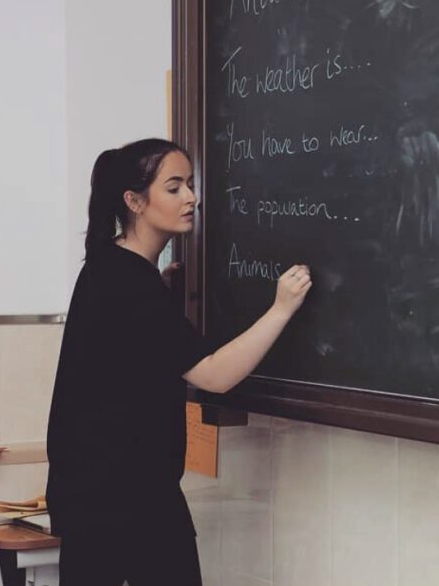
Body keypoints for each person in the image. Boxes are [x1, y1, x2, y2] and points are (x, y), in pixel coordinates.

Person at [45, 138, 311, 585]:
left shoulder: (109, 265)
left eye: (190, 183)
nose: (192, 197)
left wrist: (163, 292)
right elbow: (215, 375)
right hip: (128, 496)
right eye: (174, 187)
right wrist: (281, 308)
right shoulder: (133, 287)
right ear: (134, 201)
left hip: (93, 493)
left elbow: (131, 353)